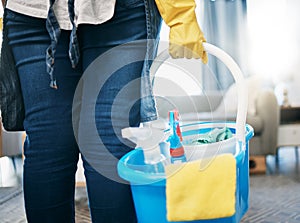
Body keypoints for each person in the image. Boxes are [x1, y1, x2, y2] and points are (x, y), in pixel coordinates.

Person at [0, 0, 207, 222]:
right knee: (49, 143)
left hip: (120, 12)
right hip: (33, 11)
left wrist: (181, 15)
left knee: (106, 142)